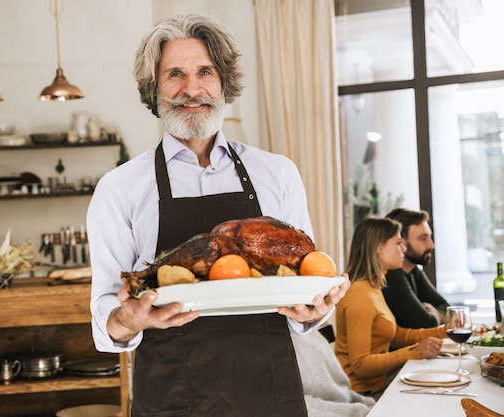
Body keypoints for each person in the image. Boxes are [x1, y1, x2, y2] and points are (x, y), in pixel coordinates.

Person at [86, 13, 349, 417]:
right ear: (154, 88)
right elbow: (106, 317)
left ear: (224, 81)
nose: (192, 89)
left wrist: (316, 310)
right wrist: (127, 318)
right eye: (175, 74)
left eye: (205, 71)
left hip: (269, 395)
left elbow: (305, 282)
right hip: (173, 398)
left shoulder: (277, 173)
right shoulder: (119, 188)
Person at [334, 217, 446, 400]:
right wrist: (413, 352)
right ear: (379, 248)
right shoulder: (360, 295)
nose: (404, 248)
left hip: (379, 385)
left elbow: (397, 335)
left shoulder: (373, 287)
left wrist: (444, 331)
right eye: (398, 243)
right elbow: (360, 365)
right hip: (361, 395)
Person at [383, 208, 450, 328]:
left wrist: (435, 314)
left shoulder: (413, 271)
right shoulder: (390, 275)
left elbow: (447, 307)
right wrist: (437, 315)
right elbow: (424, 323)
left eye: (429, 237)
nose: (431, 245)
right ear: (402, 242)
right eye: (423, 238)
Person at [291, 327, 375, 417]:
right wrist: (360, 412)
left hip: (354, 409)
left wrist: (366, 404)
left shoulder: (307, 330)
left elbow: (339, 389)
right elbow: (291, 407)